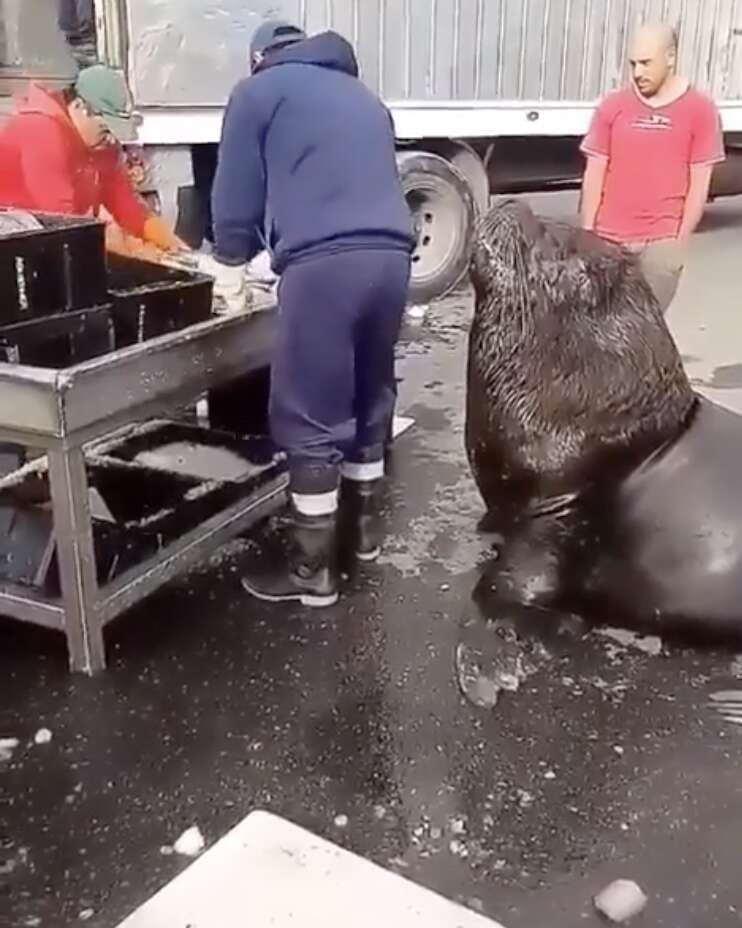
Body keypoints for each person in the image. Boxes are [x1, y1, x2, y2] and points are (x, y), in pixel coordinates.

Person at [208, 20, 413, 607]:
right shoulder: (365, 99)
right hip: (392, 257)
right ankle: (363, 536)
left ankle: (313, 572)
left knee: (309, 410)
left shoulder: (259, 92)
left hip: (326, 265)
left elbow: (237, 190)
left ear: (259, 59)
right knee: (370, 393)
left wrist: (230, 261)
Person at [580, 22, 724, 314]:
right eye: (633, 63)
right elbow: (594, 173)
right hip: (608, 241)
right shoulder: (613, 106)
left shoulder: (700, 109)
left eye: (646, 63)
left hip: (661, 244)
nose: (637, 73)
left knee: (640, 332)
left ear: (670, 58)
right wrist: (586, 236)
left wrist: (678, 243)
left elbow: (699, 183)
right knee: (601, 330)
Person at [0, 65, 185, 260]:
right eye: (106, 129)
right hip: (13, 239)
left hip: (52, 237)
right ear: (80, 107)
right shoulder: (41, 130)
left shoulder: (101, 143)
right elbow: (64, 220)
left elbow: (126, 204)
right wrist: (141, 252)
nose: (112, 140)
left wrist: (172, 244)